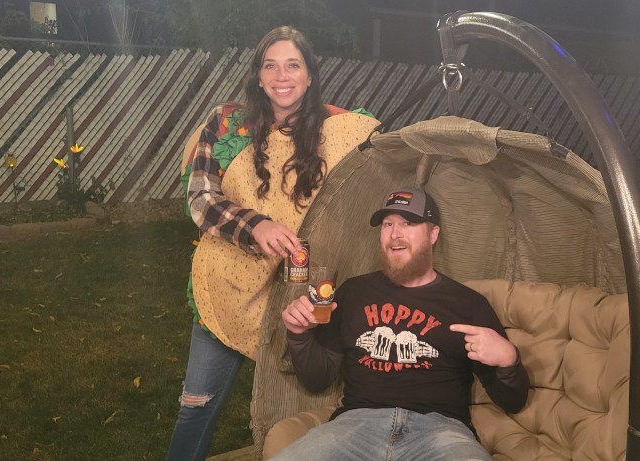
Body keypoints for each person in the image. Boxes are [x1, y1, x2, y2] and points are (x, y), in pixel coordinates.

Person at [167, 26, 379, 461]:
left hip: (299, 293)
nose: (282, 76)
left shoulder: (340, 130)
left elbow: (385, 165)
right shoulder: (226, 124)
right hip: (227, 286)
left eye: (293, 65)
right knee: (197, 406)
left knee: (299, 414)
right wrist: (255, 226)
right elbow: (200, 198)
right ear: (259, 76)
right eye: (271, 66)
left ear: (309, 75)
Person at [274, 187, 530, 461]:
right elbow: (317, 380)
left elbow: (512, 401)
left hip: (440, 432)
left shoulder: (468, 304)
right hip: (355, 426)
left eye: (408, 223)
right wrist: (299, 335)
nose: (395, 234)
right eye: (388, 224)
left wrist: (509, 360)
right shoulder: (352, 292)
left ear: (433, 234)